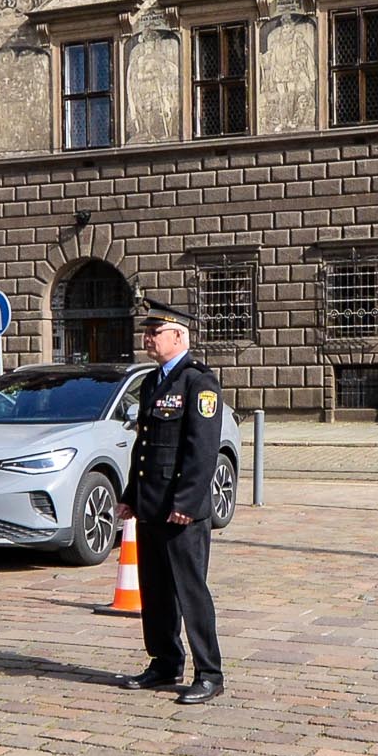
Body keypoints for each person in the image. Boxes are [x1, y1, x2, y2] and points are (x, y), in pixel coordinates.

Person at [115, 303, 226, 706]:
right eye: (147, 332)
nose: (148, 338)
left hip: (181, 508)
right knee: (157, 589)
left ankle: (210, 672)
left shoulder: (199, 383)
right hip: (151, 505)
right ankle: (164, 661)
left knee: (189, 589)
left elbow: (202, 451)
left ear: (179, 336)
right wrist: (130, 495)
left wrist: (187, 501)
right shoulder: (151, 383)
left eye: (156, 331)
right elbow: (144, 448)